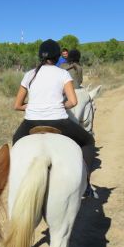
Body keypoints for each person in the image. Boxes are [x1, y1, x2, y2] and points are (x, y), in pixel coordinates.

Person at [12, 39, 97, 198]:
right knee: (88, 142)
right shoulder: (63, 73)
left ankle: (12, 177)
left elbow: (17, 105)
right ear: (58, 57)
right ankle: (85, 183)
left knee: (16, 141)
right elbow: (73, 101)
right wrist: (56, 105)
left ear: (40, 56)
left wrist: (33, 106)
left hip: (31, 122)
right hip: (59, 121)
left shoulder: (29, 74)